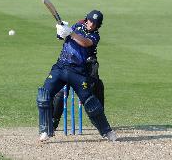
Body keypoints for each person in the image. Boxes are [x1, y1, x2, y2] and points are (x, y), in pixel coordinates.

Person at [37, 10, 117, 142]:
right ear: (87, 19)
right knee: (44, 95)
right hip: (61, 67)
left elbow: (84, 43)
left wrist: (71, 33)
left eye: (95, 23)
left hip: (78, 72)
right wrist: (61, 31)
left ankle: (106, 131)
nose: (92, 24)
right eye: (91, 21)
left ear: (98, 25)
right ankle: (46, 130)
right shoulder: (77, 26)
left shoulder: (95, 36)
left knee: (91, 102)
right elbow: (62, 37)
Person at [52, 52, 105, 130]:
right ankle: (53, 121)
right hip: (68, 61)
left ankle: (99, 119)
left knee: (96, 85)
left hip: (88, 62)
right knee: (61, 88)